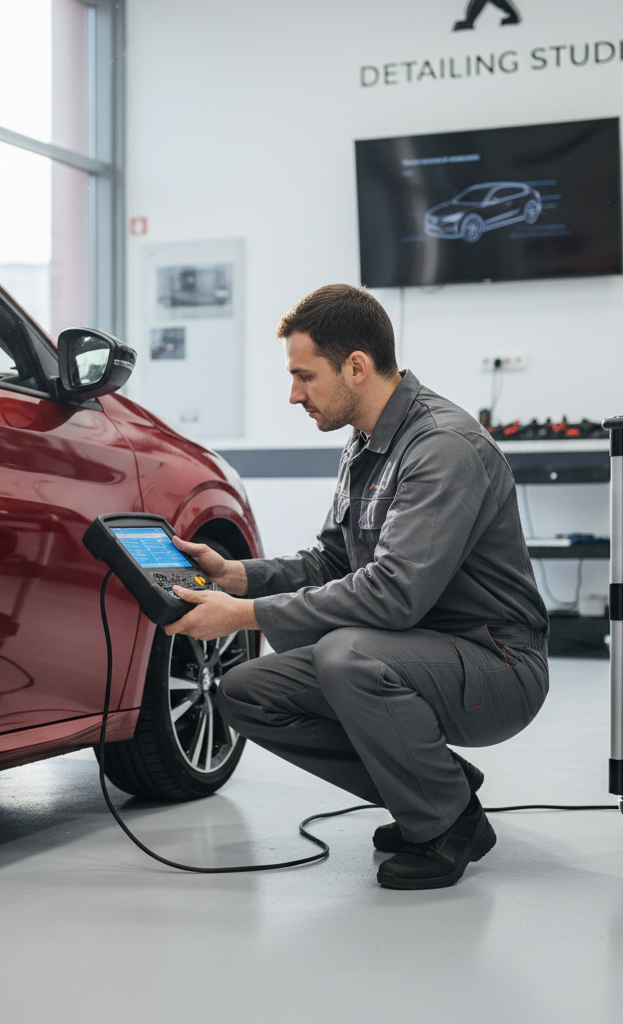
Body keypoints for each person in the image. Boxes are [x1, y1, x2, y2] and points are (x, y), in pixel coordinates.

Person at [165, 284, 549, 890]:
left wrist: (242, 615)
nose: (294, 395)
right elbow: (332, 560)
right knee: (243, 692)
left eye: (304, 376)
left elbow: (394, 594)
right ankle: (437, 790)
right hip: (414, 652)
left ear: (357, 366)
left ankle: (449, 824)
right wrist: (241, 576)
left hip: (497, 663)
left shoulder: (442, 447)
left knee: (347, 654)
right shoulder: (365, 447)